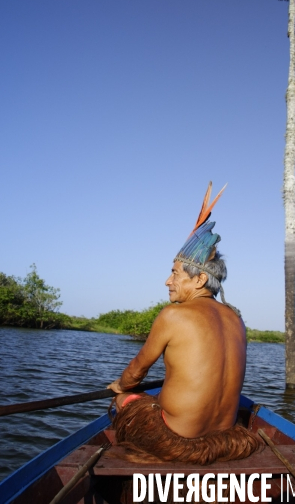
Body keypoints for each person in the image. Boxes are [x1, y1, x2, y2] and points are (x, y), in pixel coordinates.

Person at [107, 183, 262, 464]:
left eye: (175, 273)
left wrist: (120, 387)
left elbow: (135, 373)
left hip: (178, 440)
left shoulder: (173, 315)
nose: (168, 281)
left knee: (123, 401)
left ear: (199, 280)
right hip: (226, 439)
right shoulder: (237, 320)